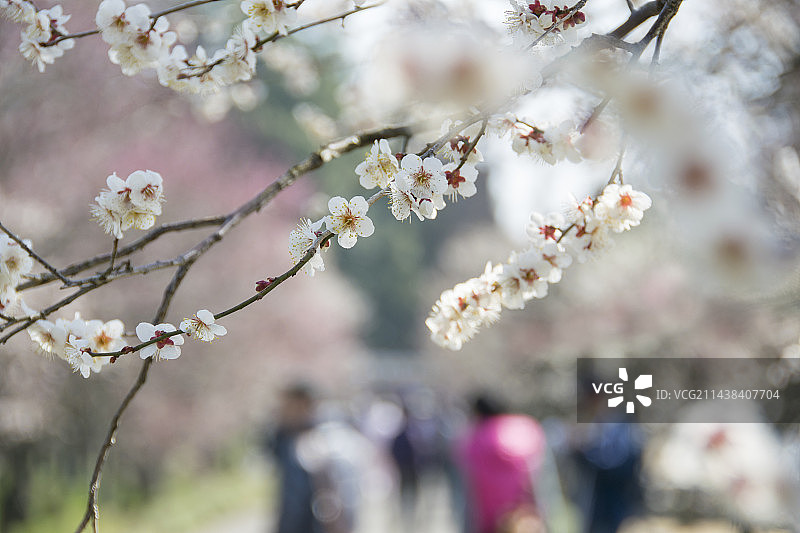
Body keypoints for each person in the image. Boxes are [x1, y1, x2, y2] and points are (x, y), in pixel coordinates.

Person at [457, 394, 548, 533]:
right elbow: (538, 473)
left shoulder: (476, 437)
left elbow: (469, 480)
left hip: (487, 514)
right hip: (522, 512)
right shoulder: (525, 429)